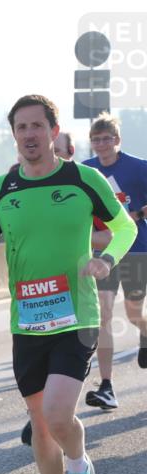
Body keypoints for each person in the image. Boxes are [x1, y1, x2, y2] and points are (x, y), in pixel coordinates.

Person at [0, 95, 136, 474]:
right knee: (39, 422)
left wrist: (106, 260)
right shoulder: (2, 189)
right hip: (28, 320)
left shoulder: (82, 179)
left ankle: (79, 466)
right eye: (21, 127)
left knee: (57, 414)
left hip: (76, 315)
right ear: (13, 135)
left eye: (37, 126)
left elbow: (125, 227)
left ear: (53, 131)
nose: (29, 134)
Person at [19, 130, 112, 445]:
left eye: (56, 150)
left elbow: (110, 233)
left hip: (84, 282)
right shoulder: (17, 184)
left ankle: (102, 385)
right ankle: (41, 414)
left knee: (111, 315)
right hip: (37, 298)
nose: (49, 155)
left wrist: (78, 237)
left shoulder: (81, 183)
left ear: (69, 152)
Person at [82, 112, 147, 411]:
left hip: (136, 248)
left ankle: (144, 332)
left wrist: (139, 214)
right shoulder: (86, 171)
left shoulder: (138, 167)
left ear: (117, 140)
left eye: (106, 139)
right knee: (103, 315)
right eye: (96, 140)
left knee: (133, 312)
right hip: (102, 252)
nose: (101, 145)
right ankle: (106, 386)